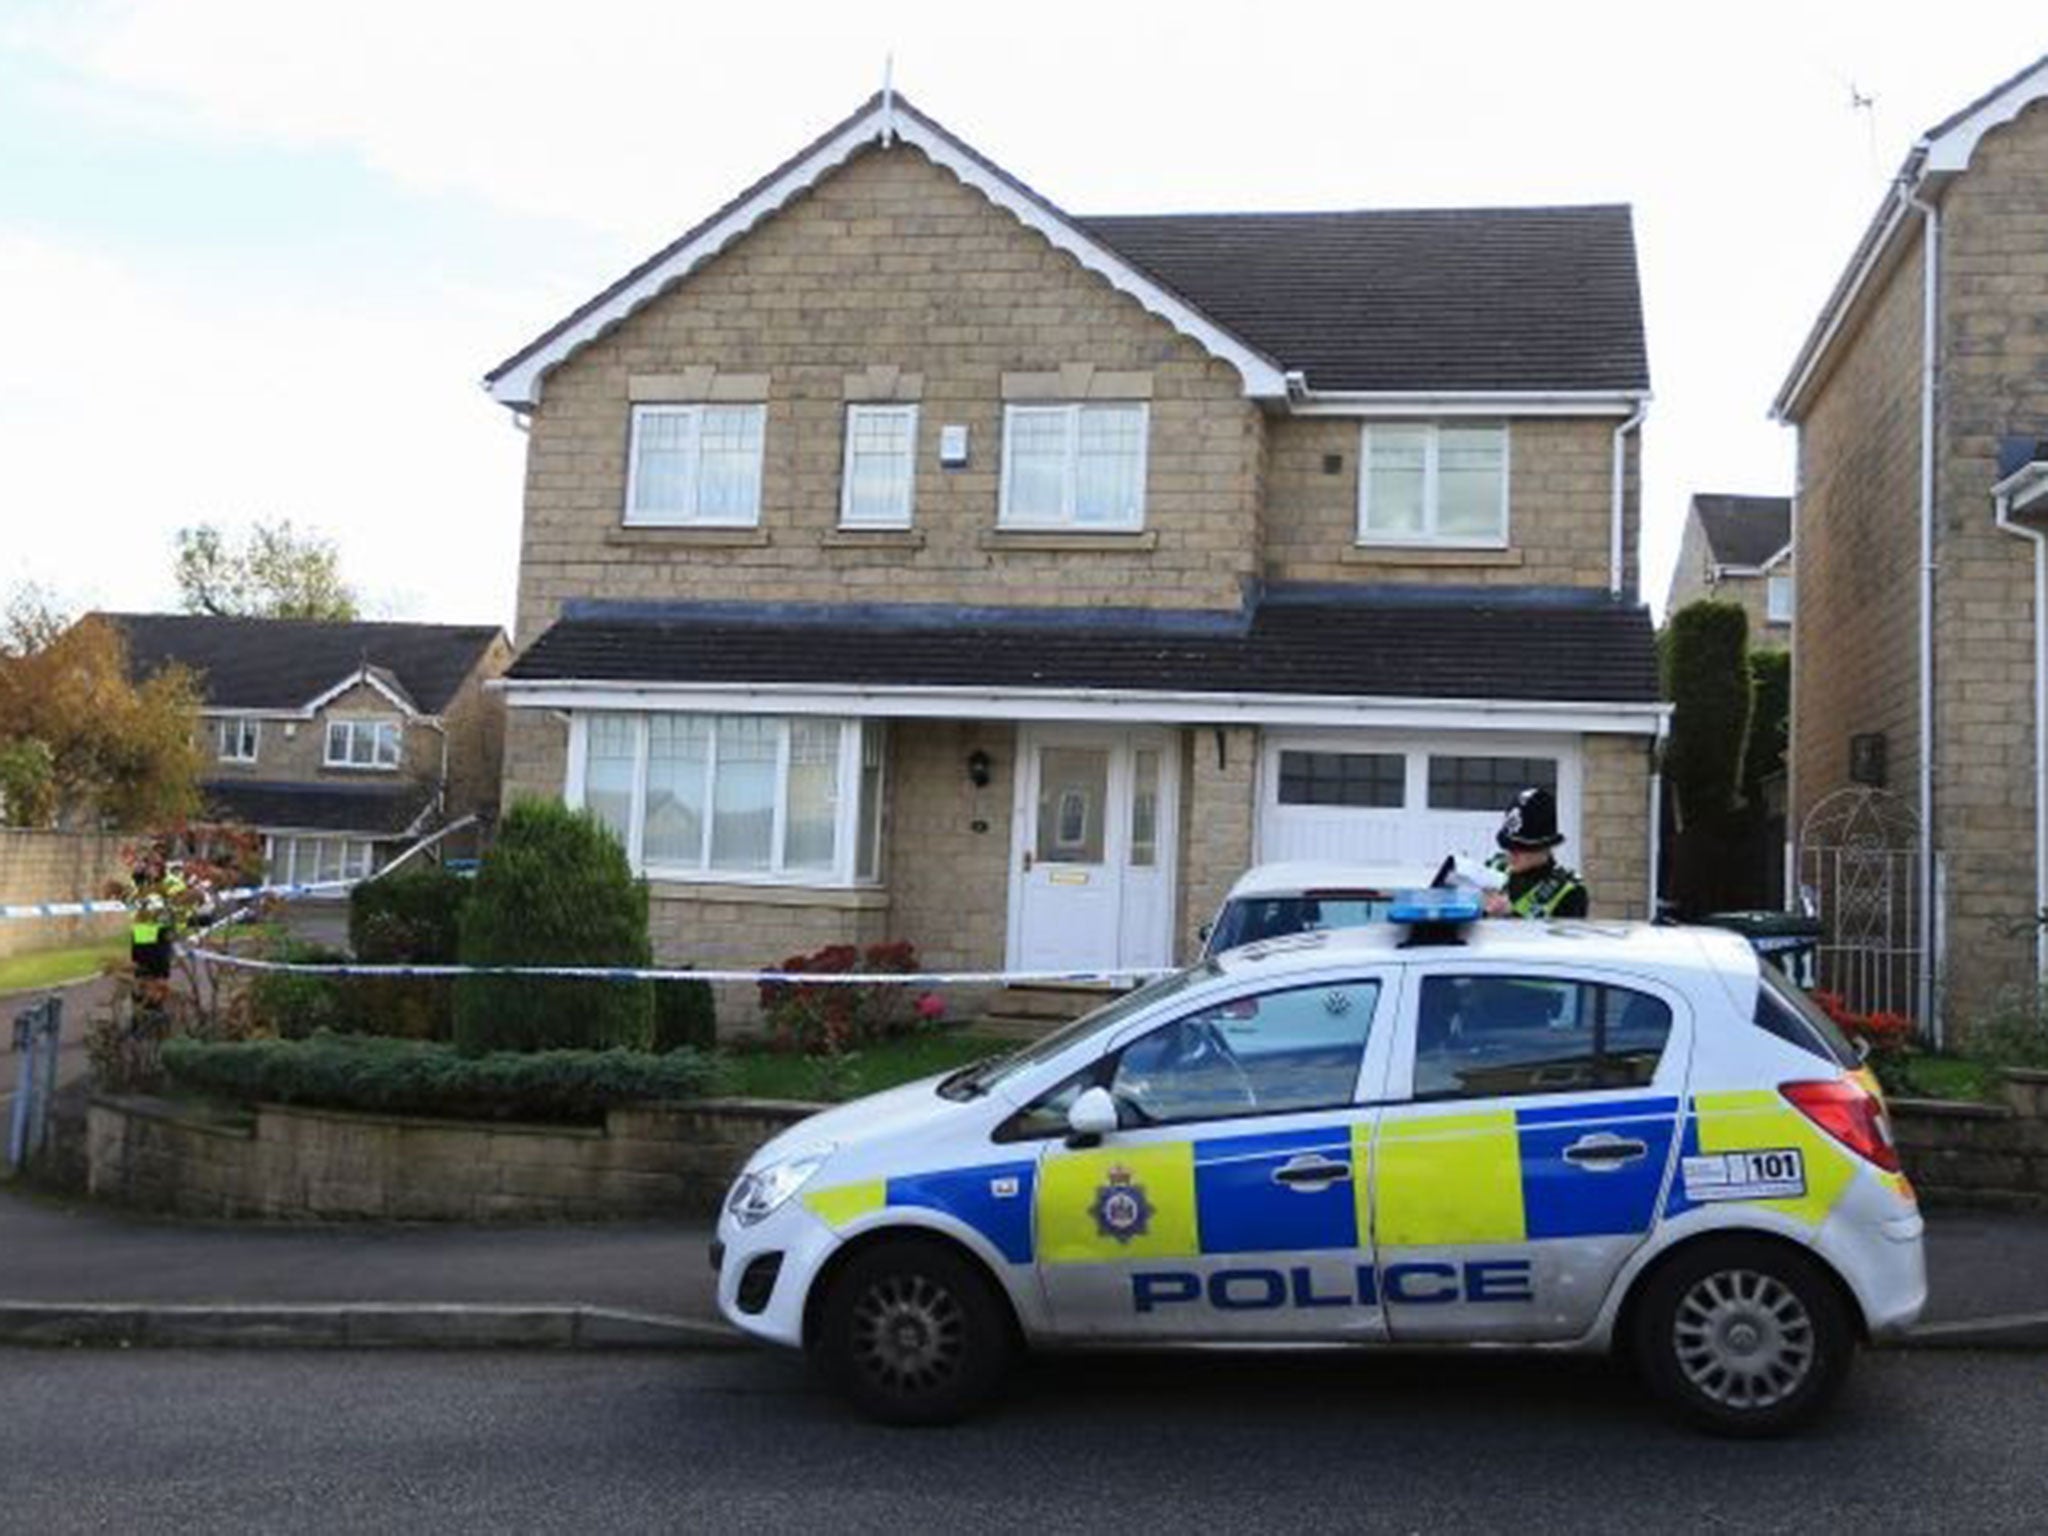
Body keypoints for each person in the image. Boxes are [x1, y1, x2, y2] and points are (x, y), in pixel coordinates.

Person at [1481, 787, 1589, 919]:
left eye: (1520, 849)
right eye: (1508, 847)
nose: (1510, 855)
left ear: (1544, 846)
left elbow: (1563, 938)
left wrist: (1511, 916)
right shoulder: (1494, 867)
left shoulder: (1569, 890)